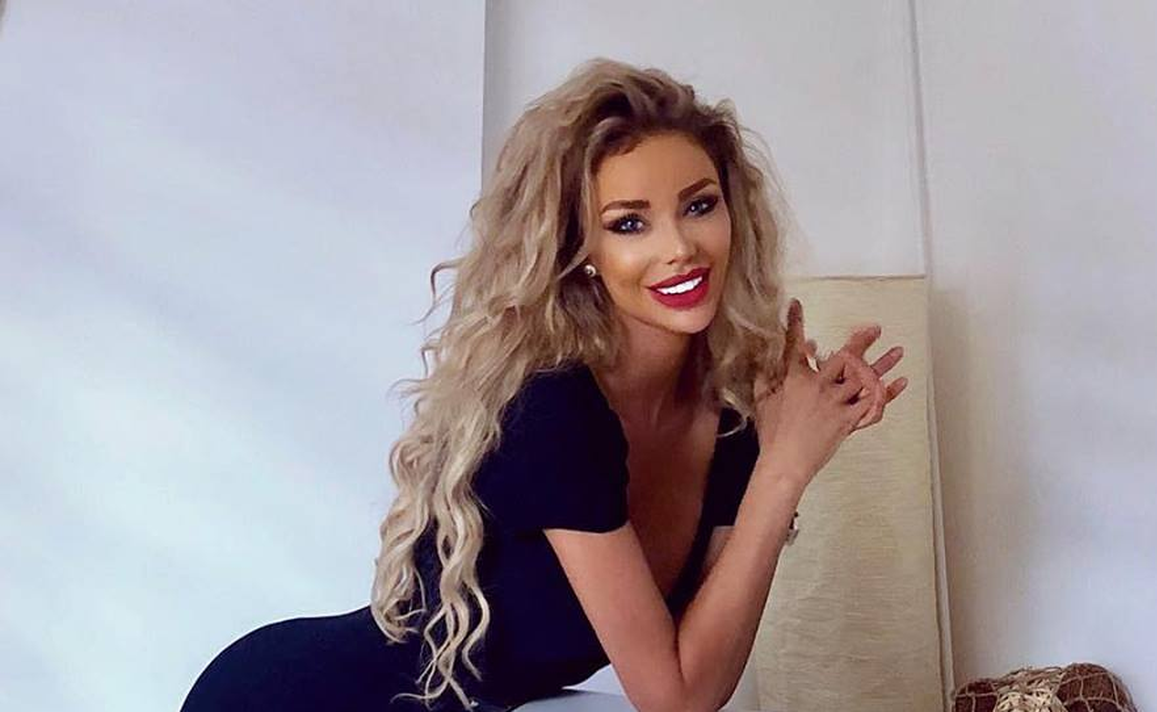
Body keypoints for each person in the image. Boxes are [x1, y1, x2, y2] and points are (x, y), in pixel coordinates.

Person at [180, 57, 907, 712]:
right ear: (581, 247)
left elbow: (702, 673)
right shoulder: (555, 408)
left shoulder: (730, 420)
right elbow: (672, 695)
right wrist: (786, 468)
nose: (680, 247)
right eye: (629, 224)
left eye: (699, 205)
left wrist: (778, 454)